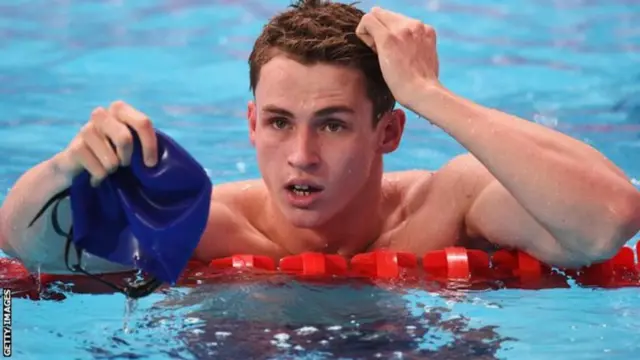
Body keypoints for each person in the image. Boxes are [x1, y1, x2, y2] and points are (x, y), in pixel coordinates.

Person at [1, 0, 639, 277]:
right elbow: (29, 250)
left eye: (332, 124)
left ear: (388, 131)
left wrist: (433, 96)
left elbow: (605, 221)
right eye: (279, 122)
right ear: (251, 125)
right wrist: (65, 169)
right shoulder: (206, 224)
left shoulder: (450, 207)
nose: (301, 155)